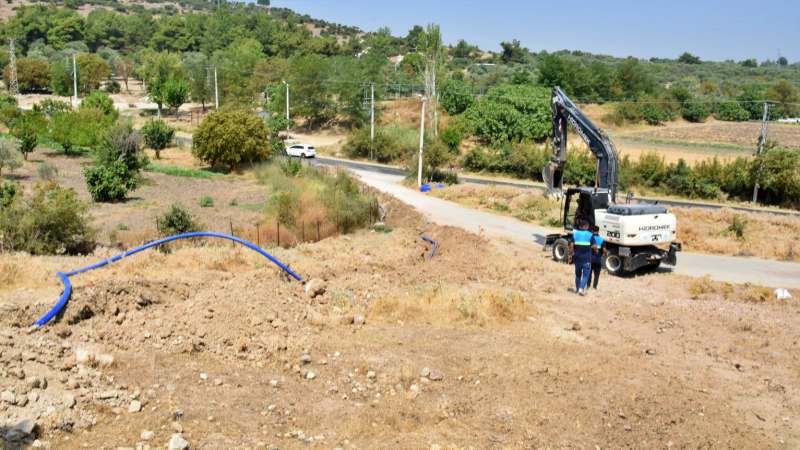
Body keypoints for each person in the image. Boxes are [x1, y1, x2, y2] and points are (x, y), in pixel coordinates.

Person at [568, 220, 594, 296]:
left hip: (577, 258)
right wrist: (593, 249)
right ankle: (581, 288)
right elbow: (595, 246)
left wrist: (571, 254)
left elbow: (571, 245)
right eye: (587, 226)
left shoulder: (575, 234)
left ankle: (577, 290)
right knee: (586, 275)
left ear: (579, 227)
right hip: (586, 258)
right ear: (586, 227)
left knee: (578, 275)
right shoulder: (590, 235)